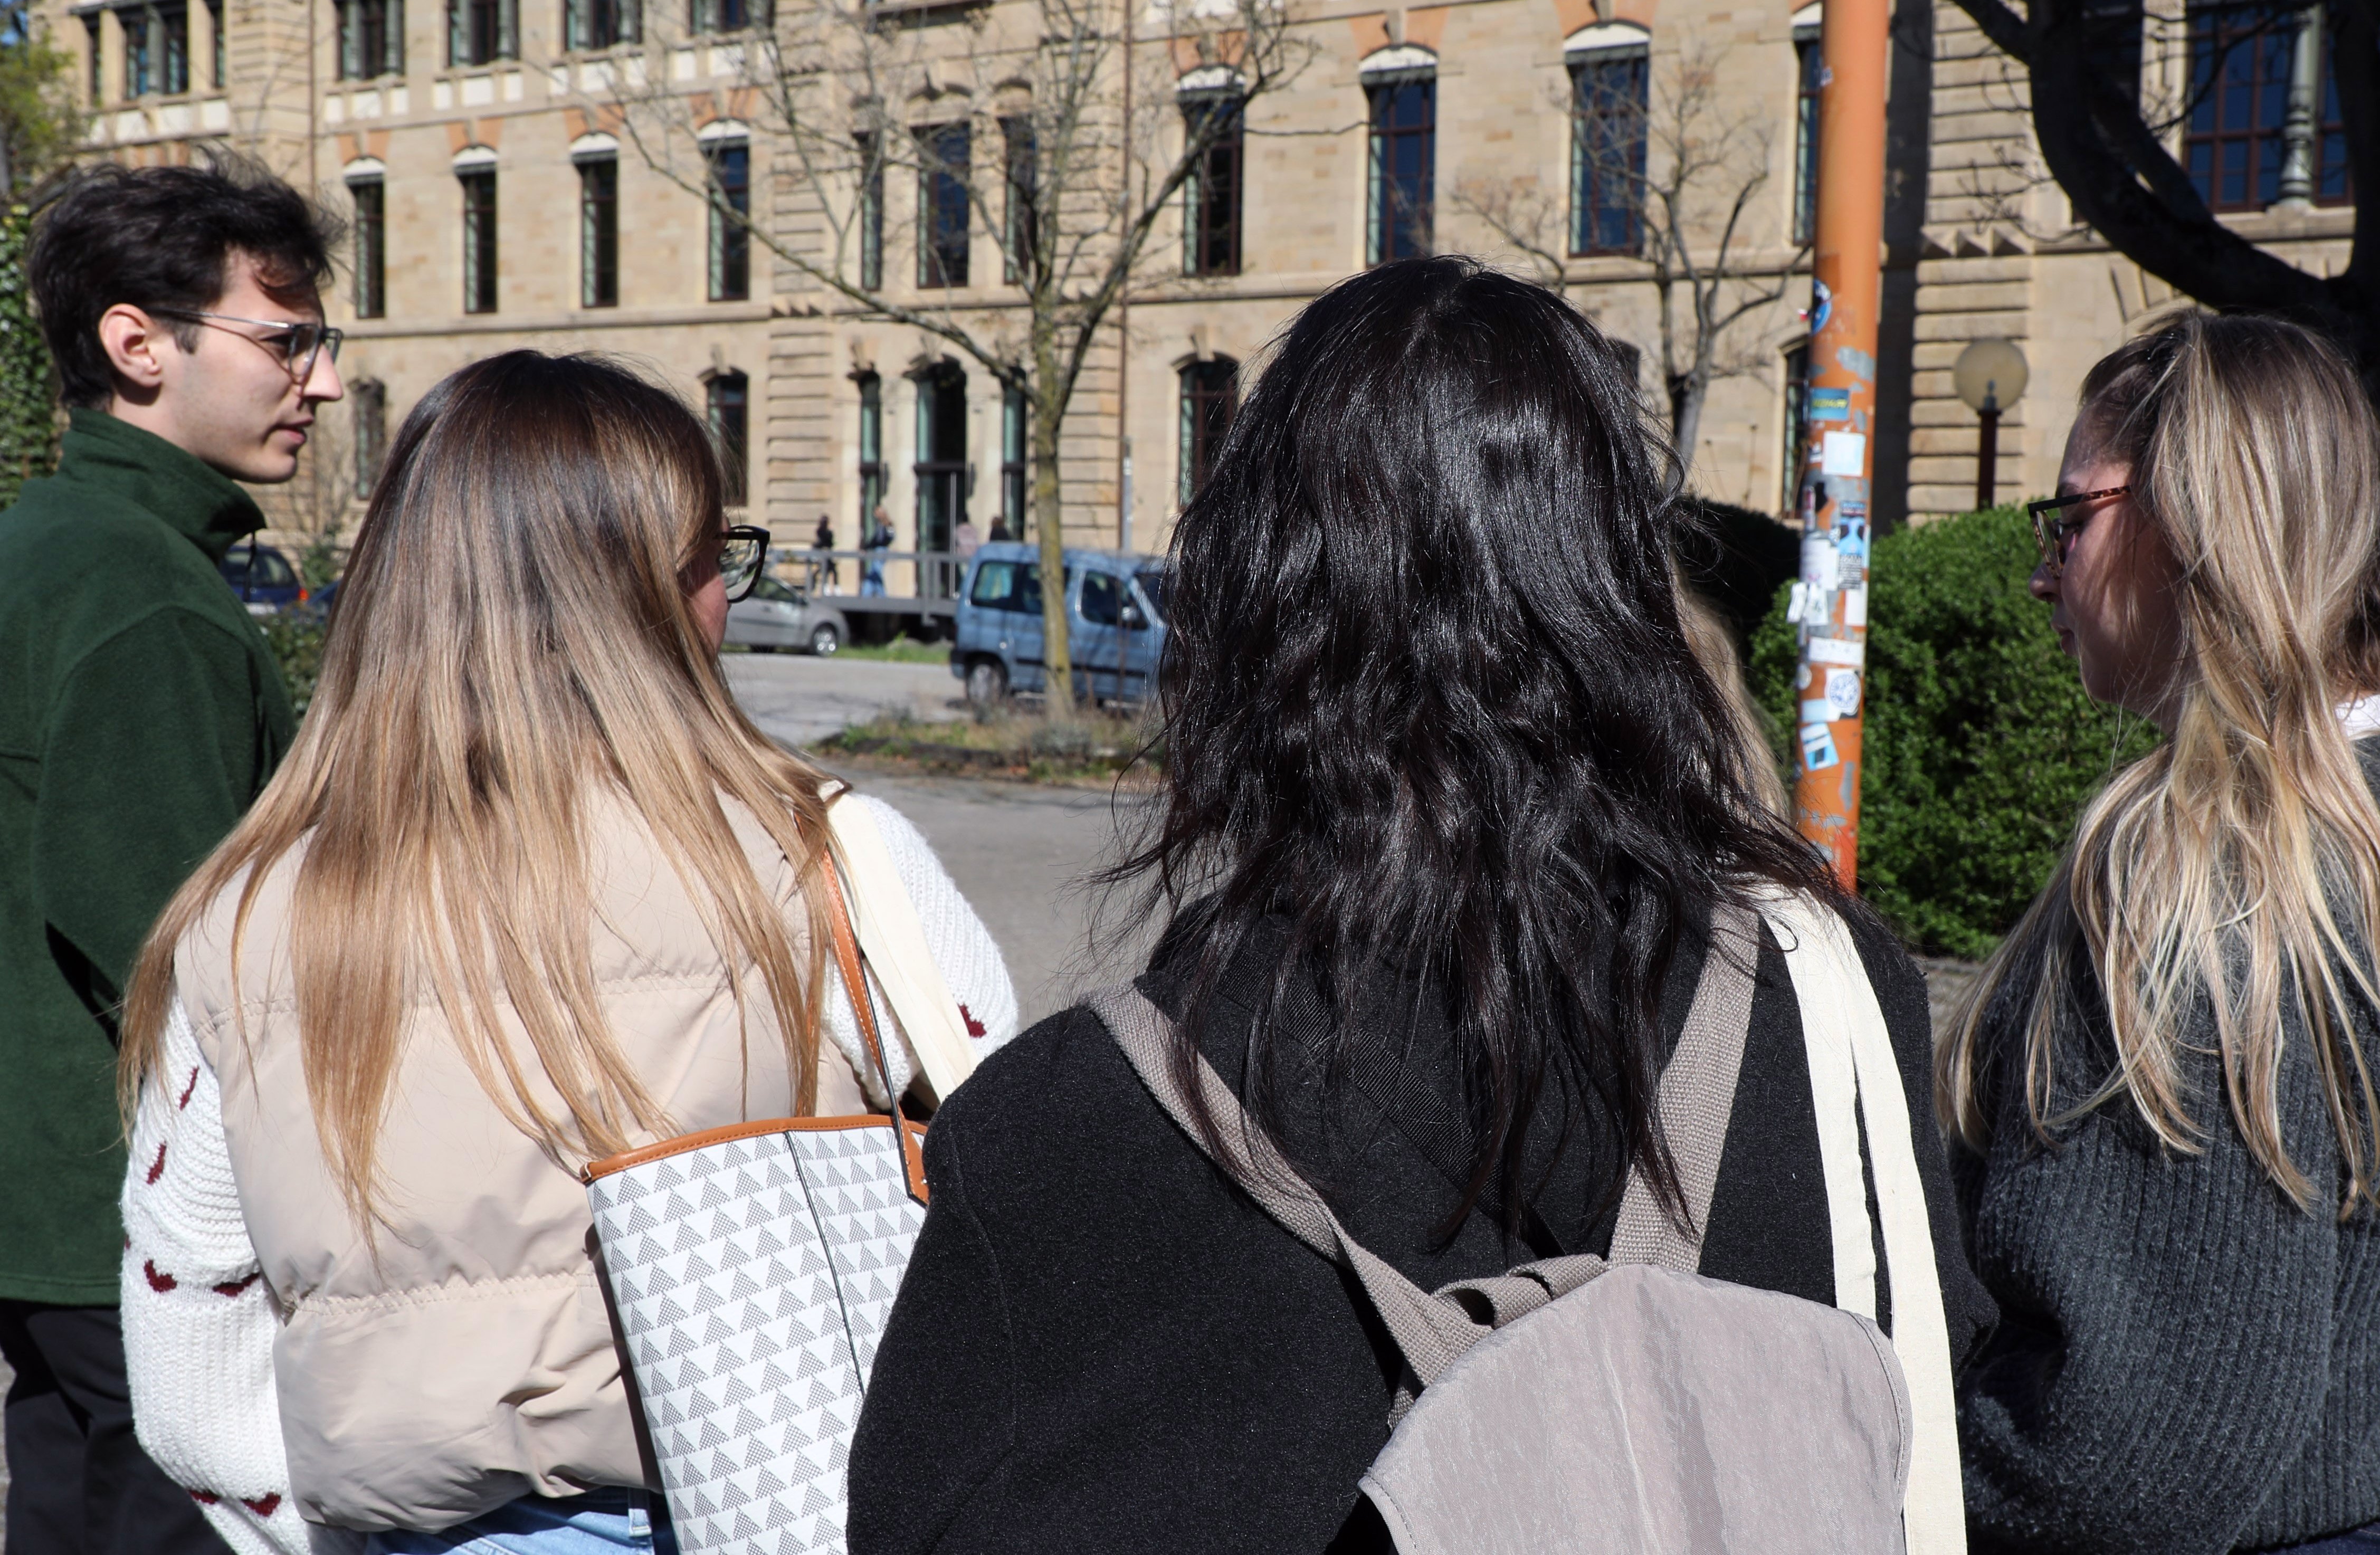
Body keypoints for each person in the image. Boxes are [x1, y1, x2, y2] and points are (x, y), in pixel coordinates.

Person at [849, 259, 1993, 1552]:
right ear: (1618, 590)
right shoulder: (1834, 997)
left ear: (1247, 604)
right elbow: (1915, 1383)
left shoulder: (1063, 1125)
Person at [113, 351, 1018, 1554]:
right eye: (707, 557)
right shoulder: (828, 853)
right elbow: (1022, 1194)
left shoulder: (244, 912)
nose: (725, 598)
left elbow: (191, 1330)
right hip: (802, 1506)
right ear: (632, 589)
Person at [0, 161, 343, 1555]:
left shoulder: (37, 545)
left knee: (70, 1508)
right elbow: (201, 964)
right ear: (140, 345)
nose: (313, 380)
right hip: (133, 1215)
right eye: (283, 338)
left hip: (37, 1206)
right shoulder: (138, 593)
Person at [1941, 312, 2380, 1555]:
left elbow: (2123, 1449)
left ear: (2190, 516)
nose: (2039, 570)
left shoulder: (2195, 864)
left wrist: (1892, 1462)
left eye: (2069, 518)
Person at [862, 502, 894, 597]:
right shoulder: (880, 525)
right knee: (873, 572)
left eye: (877, 512)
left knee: (876, 572)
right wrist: (866, 548)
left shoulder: (888, 525)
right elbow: (875, 540)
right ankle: (867, 594)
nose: (875, 515)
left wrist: (882, 543)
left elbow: (889, 537)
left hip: (882, 550)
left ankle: (879, 595)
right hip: (878, 549)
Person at [812, 512, 838, 593]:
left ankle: (835, 589)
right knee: (825, 572)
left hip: (828, 555)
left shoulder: (829, 532)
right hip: (822, 555)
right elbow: (823, 542)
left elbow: (830, 542)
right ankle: (826, 589)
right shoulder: (820, 531)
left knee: (833, 571)